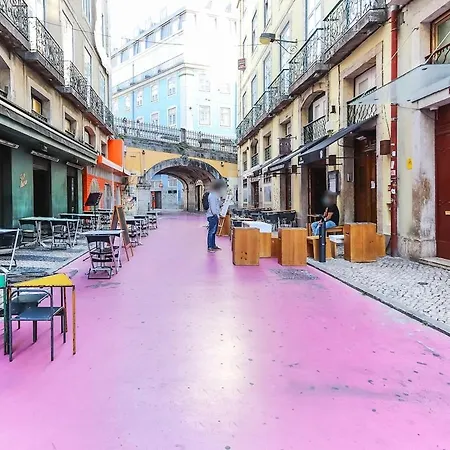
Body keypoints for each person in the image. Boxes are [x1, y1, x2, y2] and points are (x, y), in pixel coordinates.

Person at [206, 179, 224, 252]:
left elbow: (218, 205)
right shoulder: (212, 195)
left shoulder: (215, 194)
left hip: (215, 215)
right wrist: (215, 215)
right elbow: (213, 206)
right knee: (211, 231)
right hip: (212, 216)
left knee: (214, 231)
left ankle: (213, 245)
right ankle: (210, 247)